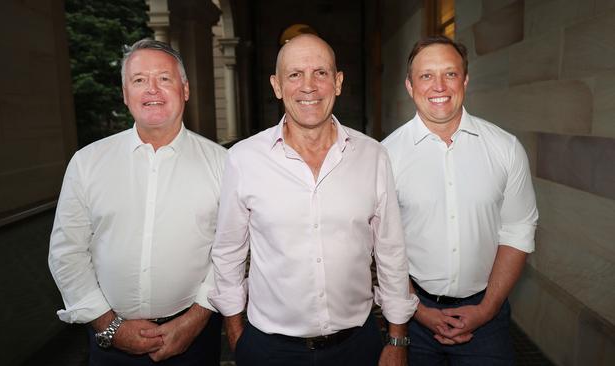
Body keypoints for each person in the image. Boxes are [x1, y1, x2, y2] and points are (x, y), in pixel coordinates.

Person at [208, 34, 418, 366]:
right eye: (295, 74)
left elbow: (391, 251)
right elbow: (228, 253)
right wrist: (237, 335)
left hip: (357, 346)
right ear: (277, 86)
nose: (309, 86)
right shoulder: (243, 159)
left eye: (320, 73)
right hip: (269, 349)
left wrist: (397, 338)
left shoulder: (373, 156)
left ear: (337, 82)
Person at [48, 39, 226, 365]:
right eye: (139, 80)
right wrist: (109, 325)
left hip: (195, 338)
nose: (152, 90)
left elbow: (230, 251)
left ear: (185, 89)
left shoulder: (224, 164)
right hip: (109, 342)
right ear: (125, 94)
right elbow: (67, 252)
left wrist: (195, 319)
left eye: (164, 78)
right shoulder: (87, 163)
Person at [382, 35, 538, 365]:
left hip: (488, 317)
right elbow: (381, 246)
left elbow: (517, 230)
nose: (439, 86)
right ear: (410, 86)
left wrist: (487, 308)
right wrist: (419, 310)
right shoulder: (385, 157)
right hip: (413, 317)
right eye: (426, 75)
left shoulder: (505, 149)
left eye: (450, 74)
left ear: (465, 80)